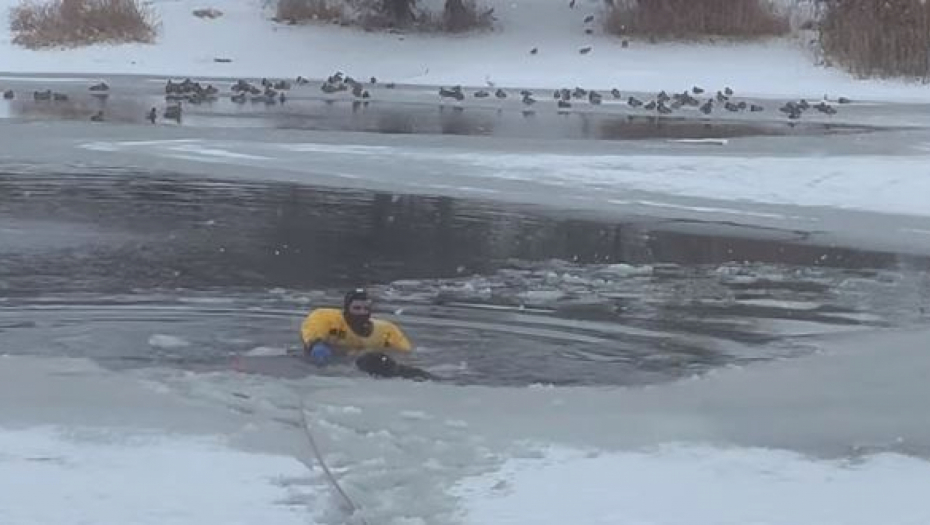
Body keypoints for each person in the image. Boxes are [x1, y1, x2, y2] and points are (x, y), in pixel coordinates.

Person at [299, 288, 433, 380]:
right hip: (330, 362)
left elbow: (406, 355)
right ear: (346, 310)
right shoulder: (325, 318)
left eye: (366, 308)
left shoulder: (387, 331)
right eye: (356, 308)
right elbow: (313, 335)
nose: (362, 312)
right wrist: (317, 345)